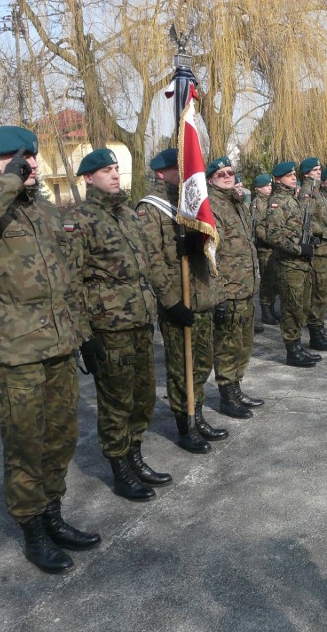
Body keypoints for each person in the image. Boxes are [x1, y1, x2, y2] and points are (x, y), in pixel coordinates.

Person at [0, 125, 100, 574]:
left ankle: (53, 514)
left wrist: (83, 336)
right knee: (26, 444)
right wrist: (8, 181)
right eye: (16, 157)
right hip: (13, 352)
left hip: (58, 345)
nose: (28, 163)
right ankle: (32, 530)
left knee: (61, 438)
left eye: (30, 156)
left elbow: (66, 282)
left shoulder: (44, 213)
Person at [65, 148, 170, 503]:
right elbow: (71, 283)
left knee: (143, 398)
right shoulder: (78, 219)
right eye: (106, 170)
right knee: (116, 402)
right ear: (88, 178)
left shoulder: (127, 214)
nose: (114, 175)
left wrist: (167, 301)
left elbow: (148, 263)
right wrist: (83, 337)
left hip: (140, 322)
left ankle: (135, 456)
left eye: (116, 168)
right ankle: (120, 469)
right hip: (108, 329)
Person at [137, 148, 228, 454]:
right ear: (161, 172)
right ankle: (185, 424)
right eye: (179, 168)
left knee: (201, 364)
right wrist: (172, 302)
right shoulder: (151, 208)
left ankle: (198, 414)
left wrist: (199, 241)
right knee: (181, 368)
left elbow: (217, 242)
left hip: (201, 297)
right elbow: (151, 261)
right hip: (179, 301)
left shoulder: (191, 203)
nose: (187, 173)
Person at [205, 157, 263, 415]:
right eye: (221, 174)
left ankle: (237, 388)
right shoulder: (213, 206)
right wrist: (218, 293)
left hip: (245, 287)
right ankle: (227, 396)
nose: (228, 176)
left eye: (230, 172)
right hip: (228, 289)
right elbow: (209, 254)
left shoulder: (236, 204)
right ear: (210, 180)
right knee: (227, 345)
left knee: (243, 343)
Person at [267, 161, 320, 367]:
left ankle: (298, 346)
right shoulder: (278, 201)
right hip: (289, 263)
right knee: (292, 308)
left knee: (301, 306)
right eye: (288, 175)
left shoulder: (293, 199)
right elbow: (274, 235)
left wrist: (309, 240)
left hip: (301, 263)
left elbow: (296, 228)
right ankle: (292, 350)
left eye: (293, 175)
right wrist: (299, 248)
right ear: (278, 179)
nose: (293, 177)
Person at [299, 157, 327, 351]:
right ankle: (315, 333)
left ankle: (319, 330)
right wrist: (325, 232)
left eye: (319, 169)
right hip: (317, 250)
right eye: (315, 170)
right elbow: (306, 221)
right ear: (307, 173)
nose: (319, 172)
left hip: (325, 250)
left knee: (323, 293)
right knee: (319, 294)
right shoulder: (308, 192)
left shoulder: (317, 192)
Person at [251, 173, 279, 325]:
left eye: (270, 185)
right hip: (265, 248)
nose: (270, 188)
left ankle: (271, 307)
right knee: (267, 280)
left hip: (273, 247)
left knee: (273, 280)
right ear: (258, 188)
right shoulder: (257, 203)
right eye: (266, 186)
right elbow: (257, 228)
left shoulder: (270, 201)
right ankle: (266, 311)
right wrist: (270, 239)